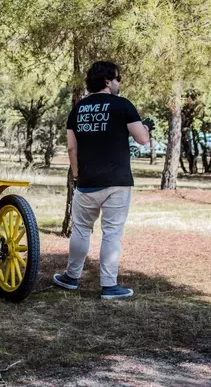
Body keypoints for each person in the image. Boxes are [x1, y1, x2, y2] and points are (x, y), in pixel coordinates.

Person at [53, 61, 153, 300]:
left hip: (86, 181)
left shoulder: (77, 109)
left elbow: (71, 148)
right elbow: (142, 139)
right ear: (108, 81)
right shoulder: (123, 105)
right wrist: (147, 127)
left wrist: (77, 175)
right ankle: (109, 286)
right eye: (117, 79)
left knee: (80, 230)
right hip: (117, 182)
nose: (119, 83)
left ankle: (71, 277)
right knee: (112, 233)